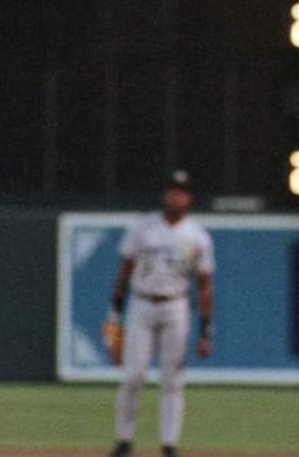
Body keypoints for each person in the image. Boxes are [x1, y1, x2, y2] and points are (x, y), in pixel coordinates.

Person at [103, 170, 214, 457]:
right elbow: (124, 271)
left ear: (189, 198)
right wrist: (114, 313)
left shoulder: (197, 236)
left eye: (182, 191)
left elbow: (204, 287)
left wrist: (205, 330)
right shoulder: (143, 227)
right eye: (172, 190)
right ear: (165, 194)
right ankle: (124, 440)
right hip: (141, 304)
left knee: (172, 378)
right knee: (133, 376)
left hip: (176, 305)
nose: (176, 196)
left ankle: (168, 444)